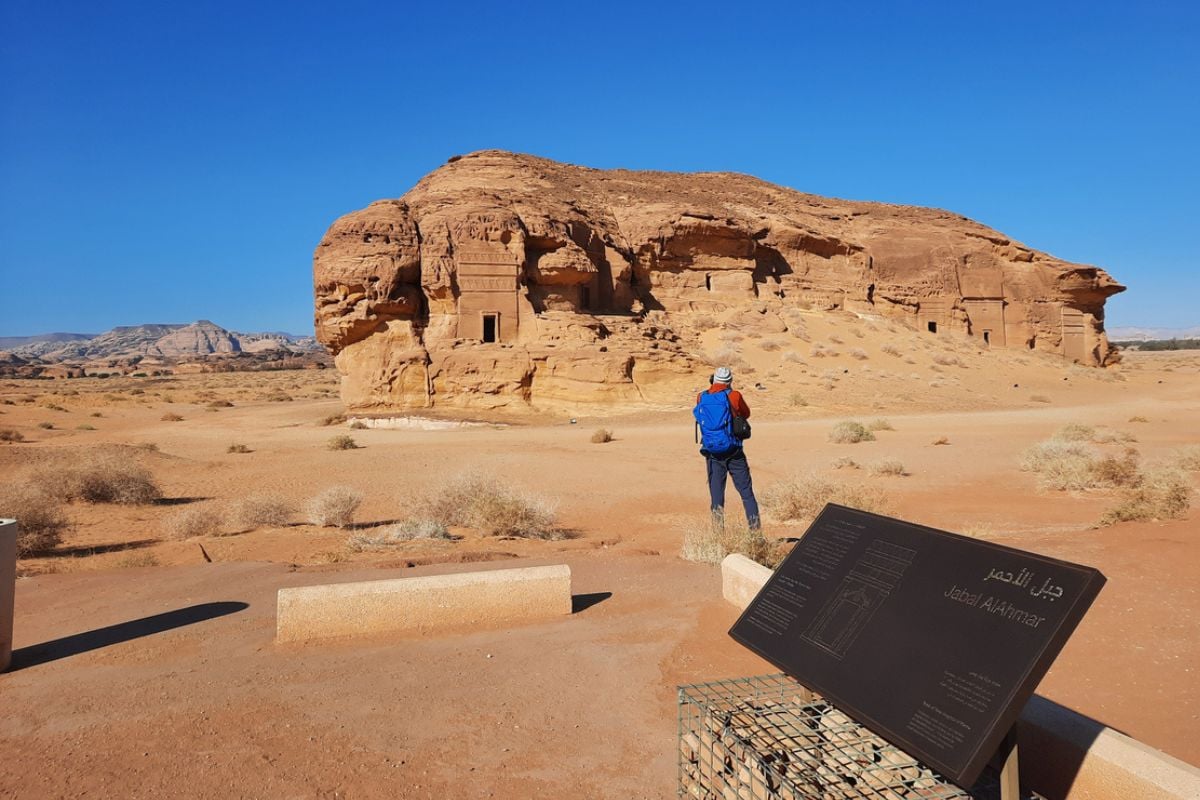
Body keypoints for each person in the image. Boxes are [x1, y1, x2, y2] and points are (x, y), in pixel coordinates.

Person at [693, 366, 760, 531]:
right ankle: (755, 533)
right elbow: (746, 413)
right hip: (734, 451)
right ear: (729, 381)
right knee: (746, 493)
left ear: (713, 379)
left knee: (716, 496)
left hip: (712, 452)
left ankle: (718, 536)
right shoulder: (734, 395)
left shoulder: (701, 397)